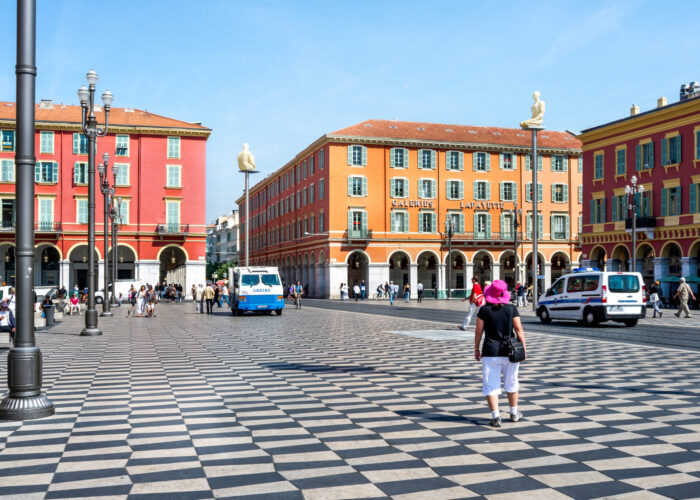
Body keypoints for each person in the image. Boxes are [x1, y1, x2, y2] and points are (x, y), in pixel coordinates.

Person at [474, 280, 526, 427]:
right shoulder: (511, 309)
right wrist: (524, 349)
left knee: (491, 385)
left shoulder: (484, 310)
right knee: (512, 382)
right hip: (510, 351)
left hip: (490, 351)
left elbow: (478, 332)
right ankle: (514, 413)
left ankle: (496, 417)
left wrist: (476, 348)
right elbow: (519, 330)